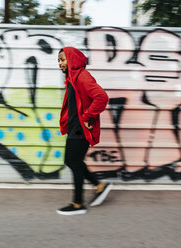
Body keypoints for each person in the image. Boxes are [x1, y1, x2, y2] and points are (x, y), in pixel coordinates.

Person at [56, 47, 112, 215]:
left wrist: (87, 117)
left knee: (73, 161)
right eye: (58, 60)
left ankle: (78, 204)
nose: (60, 64)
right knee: (75, 161)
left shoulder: (82, 77)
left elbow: (101, 97)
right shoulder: (72, 78)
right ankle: (98, 185)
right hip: (75, 127)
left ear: (72, 60)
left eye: (63, 60)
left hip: (81, 128)